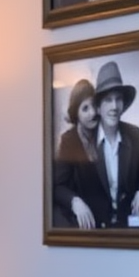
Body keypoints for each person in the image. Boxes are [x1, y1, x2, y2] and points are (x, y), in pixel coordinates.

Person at [52, 61, 139, 229]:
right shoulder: (79, 139)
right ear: (99, 106)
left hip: (129, 231)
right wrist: (75, 201)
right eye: (108, 100)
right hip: (94, 232)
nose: (114, 107)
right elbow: (57, 186)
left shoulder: (134, 134)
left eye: (118, 99)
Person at [52, 78, 100, 229]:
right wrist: (75, 201)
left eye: (94, 105)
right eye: (85, 108)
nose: (92, 112)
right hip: (78, 222)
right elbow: (57, 186)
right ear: (76, 113)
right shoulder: (68, 141)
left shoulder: (103, 134)